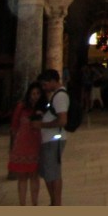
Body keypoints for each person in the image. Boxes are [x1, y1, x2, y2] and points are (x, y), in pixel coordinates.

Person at [34, 69, 69, 206]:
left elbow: (62, 121)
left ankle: (56, 203)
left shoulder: (60, 96)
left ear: (53, 81)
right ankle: (54, 202)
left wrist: (41, 124)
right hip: (51, 139)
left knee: (53, 173)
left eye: (45, 84)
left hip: (54, 139)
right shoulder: (56, 95)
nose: (44, 88)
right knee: (49, 171)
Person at [8, 82, 45, 205]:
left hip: (36, 144)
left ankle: (35, 203)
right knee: (22, 176)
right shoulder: (21, 107)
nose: (35, 96)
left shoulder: (43, 108)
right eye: (33, 93)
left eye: (38, 93)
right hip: (23, 144)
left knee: (35, 175)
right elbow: (14, 127)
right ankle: (22, 204)